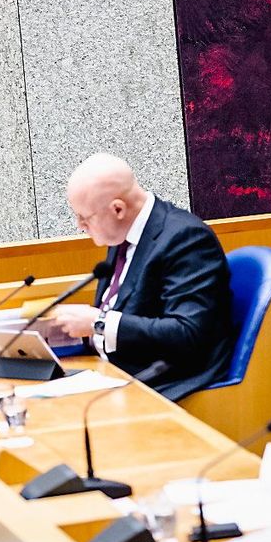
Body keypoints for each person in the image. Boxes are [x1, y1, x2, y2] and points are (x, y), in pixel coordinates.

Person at [52, 153, 233, 395]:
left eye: (84, 217)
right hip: (110, 372)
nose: (80, 225)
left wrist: (98, 323)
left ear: (118, 209)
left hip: (165, 381)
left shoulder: (186, 239)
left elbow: (187, 333)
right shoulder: (122, 234)